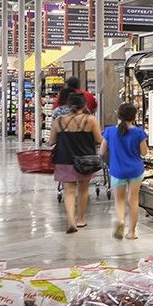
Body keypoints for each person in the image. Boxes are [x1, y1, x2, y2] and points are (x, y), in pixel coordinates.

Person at [48, 93, 102, 234]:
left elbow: (51, 141)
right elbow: (99, 140)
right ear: (83, 105)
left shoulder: (59, 121)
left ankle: (71, 221)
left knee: (69, 192)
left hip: (64, 159)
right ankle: (80, 219)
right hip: (85, 161)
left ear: (68, 105)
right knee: (83, 190)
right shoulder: (91, 120)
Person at [101, 103, 148, 240]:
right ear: (134, 117)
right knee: (133, 200)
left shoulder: (109, 131)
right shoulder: (139, 132)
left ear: (119, 115)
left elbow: (102, 151)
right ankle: (132, 232)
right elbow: (144, 153)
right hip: (135, 170)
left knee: (119, 199)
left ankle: (121, 220)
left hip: (117, 170)